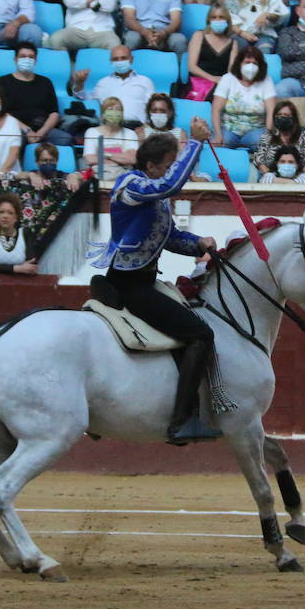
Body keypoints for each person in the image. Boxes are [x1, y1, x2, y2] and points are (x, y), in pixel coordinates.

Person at [86, 131, 219, 444]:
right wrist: (195, 144)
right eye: (169, 163)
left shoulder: (153, 198)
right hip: (131, 285)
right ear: (151, 165)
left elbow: (170, 236)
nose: (172, 170)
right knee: (200, 334)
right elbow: (170, 184)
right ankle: (181, 421)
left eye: (175, 164)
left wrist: (198, 243)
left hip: (144, 280)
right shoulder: (130, 184)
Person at [0, 42, 74, 145]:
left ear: (35, 61)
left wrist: (41, 132)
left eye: (31, 57)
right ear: (15, 59)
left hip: (43, 129)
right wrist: (27, 130)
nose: (27, 60)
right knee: (15, 140)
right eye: (23, 56)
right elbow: (2, 112)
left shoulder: (46, 82)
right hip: (16, 129)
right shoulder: (4, 81)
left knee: (65, 139)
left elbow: (54, 114)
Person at [69, 45, 155, 124]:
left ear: (131, 59)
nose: (120, 61)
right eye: (115, 59)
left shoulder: (145, 81)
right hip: (110, 127)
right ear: (111, 61)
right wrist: (80, 83)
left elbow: (152, 107)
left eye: (123, 58)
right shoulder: (103, 83)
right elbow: (82, 97)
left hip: (137, 127)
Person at [213, 46, 277, 149]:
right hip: (229, 129)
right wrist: (218, 134)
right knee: (220, 143)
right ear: (239, 64)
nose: (251, 67)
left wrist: (267, 136)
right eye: (247, 62)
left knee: (263, 144)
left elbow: (271, 111)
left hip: (255, 130)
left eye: (255, 63)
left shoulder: (267, 81)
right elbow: (216, 110)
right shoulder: (227, 79)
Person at [185, 4, 239, 100]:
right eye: (214, 17)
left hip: (221, 85)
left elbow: (231, 72)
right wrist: (212, 78)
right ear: (209, 20)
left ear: (227, 20)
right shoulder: (199, 36)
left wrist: (222, 82)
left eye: (221, 17)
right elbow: (192, 67)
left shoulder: (233, 43)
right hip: (199, 83)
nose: (217, 20)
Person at [82, 96, 142, 180]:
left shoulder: (130, 133)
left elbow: (132, 159)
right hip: (98, 176)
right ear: (103, 114)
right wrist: (120, 159)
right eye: (110, 109)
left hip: (124, 177)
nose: (114, 112)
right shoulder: (92, 132)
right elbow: (90, 159)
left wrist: (105, 155)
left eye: (118, 109)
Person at [252, 99, 305, 176]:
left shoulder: (304, 136)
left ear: (294, 118)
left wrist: (299, 177)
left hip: (298, 177)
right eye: (279, 115)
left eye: (286, 115)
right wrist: (270, 176)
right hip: (271, 177)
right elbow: (259, 159)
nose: (282, 118)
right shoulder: (267, 136)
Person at [0, 192, 40, 274]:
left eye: (10, 213)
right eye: (1, 212)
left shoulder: (25, 234)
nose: (5, 216)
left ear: (16, 217)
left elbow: (32, 266)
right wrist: (18, 268)